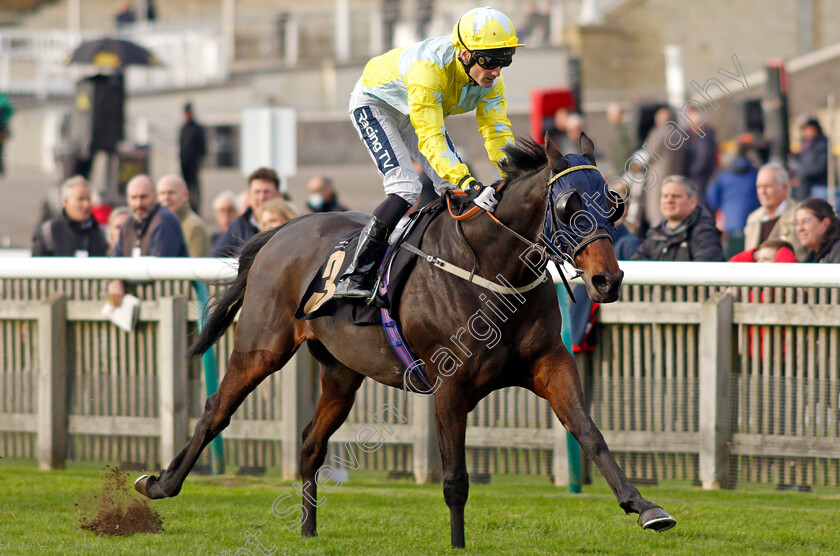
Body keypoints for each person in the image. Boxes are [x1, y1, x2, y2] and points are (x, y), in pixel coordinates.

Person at [334, 6, 523, 301]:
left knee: (452, 187)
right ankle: (354, 273)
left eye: (505, 61)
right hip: (375, 103)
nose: (497, 71)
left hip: (414, 109)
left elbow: (496, 130)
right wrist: (470, 183)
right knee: (406, 187)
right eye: (490, 62)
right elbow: (431, 136)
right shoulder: (429, 69)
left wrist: (514, 173)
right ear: (465, 55)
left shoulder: (491, 80)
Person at [108, 175, 188, 306]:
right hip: (144, 305)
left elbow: (159, 269)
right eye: (134, 198)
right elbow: (115, 258)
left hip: (169, 303)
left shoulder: (165, 220)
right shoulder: (128, 224)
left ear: (155, 197)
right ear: (127, 199)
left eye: (143, 197)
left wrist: (122, 277)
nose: (138, 203)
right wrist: (115, 279)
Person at [631, 175, 724, 262]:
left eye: (676, 196)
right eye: (665, 196)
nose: (669, 200)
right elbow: (636, 265)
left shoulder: (704, 232)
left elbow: (705, 271)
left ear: (692, 202)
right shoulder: (655, 233)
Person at [211, 167, 280, 257]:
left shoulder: (289, 224)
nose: (261, 197)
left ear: (279, 196)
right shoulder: (238, 225)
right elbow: (215, 258)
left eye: (266, 192)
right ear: (249, 196)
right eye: (257, 192)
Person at [31, 176, 108, 257]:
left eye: (88, 199)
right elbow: (35, 267)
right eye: (80, 199)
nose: (86, 205)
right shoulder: (49, 232)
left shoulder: (100, 234)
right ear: (65, 201)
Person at [705, 143, 760, 257]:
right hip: (752, 220)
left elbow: (711, 195)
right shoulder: (754, 173)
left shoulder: (723, 173)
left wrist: (722, 208)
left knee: (732, 257)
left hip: (729, 221)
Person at [743, 162, 805, 260]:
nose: (762, 192)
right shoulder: (753, 219)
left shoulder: (799, 216)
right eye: (759, 187)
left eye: (767, 186)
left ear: (785, 188)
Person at [641, 106, 687, 230]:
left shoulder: (659, 133)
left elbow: (648, 155)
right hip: (676, 178)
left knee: (657, 213)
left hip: (658, 179)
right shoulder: (679, 133)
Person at [156, 174, 211, 257]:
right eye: (162, 193)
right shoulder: (159, 224)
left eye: (171, 193)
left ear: (186, 195)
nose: (166, 198)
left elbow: (196, 266)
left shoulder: (194, 227)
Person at [682, 104, 718, 200]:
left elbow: (703, 159)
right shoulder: (687, 135)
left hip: (703, 178)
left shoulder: (706, 137)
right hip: (693, 178)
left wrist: (693, 171)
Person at [178, 102, 207, 213]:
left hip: (194, 164)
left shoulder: (197, 128)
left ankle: (196, 209)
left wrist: (198, 160)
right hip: (184, 163)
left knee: (194, 188)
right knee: (185, 188)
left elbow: (202, 147)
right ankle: (186, 208)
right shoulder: (183, 128)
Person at [792, 118, 828, 202]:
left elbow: (821, 167)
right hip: (803, 186)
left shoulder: (822, 145)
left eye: (808, 129)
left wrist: (802, 175)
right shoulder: (805, 144)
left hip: (817, 186)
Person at [795, 198, 840, 263]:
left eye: (805, 221)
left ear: (825, 224)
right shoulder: (812, 255)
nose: (800, 228)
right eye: (797, 223)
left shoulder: (837, 252)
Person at [607, 102, 634, 178]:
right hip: (619, 169)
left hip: (624, 170)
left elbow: (623, 152)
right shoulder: (617, 129)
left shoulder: (625, 130)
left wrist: (620, 169)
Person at [0, 92, 14, 176]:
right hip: (2, 133)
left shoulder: (3, 100)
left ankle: (1, 168)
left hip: (1, 132)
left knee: (1, 150)